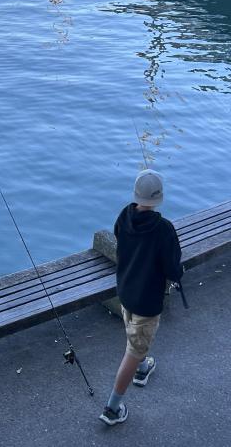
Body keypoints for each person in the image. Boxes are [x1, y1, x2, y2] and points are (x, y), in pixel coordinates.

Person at [99, 169, 183, 426]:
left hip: (126, 289)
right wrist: (178, 272)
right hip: (147, 301)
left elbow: (121, 238)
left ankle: (143, 367)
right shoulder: (163, 229)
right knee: (134, 349)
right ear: (159, 197)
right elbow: (173, 269)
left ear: (136, 194)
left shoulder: (124, 216)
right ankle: (113, 408)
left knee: (135, 334)